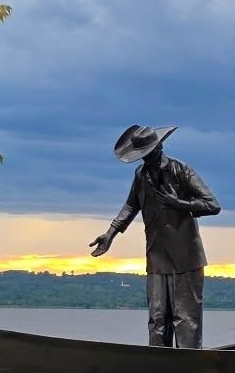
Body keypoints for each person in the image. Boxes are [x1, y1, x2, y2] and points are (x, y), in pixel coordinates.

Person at [89, 125, 220, 348]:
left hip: (186, 258)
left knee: (186, 320)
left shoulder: (181, 170)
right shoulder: (141, 175)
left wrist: (179, 204)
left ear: (159, 148)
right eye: (142, 156)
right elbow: (131, 206)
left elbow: (212, 205)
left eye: (148, 154)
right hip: (157, 256)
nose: (145, 159)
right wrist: (111, 233)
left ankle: (189, 365)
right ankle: (158, 363)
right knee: (157, 319)